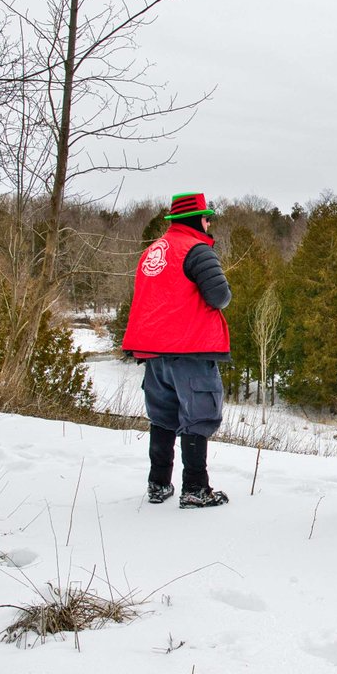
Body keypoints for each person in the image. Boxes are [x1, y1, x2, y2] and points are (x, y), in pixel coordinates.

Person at [122, 192, 233, 509]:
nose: (209, 222)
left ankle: (158, 484)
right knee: (197, 416)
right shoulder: (197, 250)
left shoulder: (152, 251)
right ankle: (196, 489)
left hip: (153, 350)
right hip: (190, 346)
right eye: (207, 217)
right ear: (198, 219)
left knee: (163, 416)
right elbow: (219, 296)